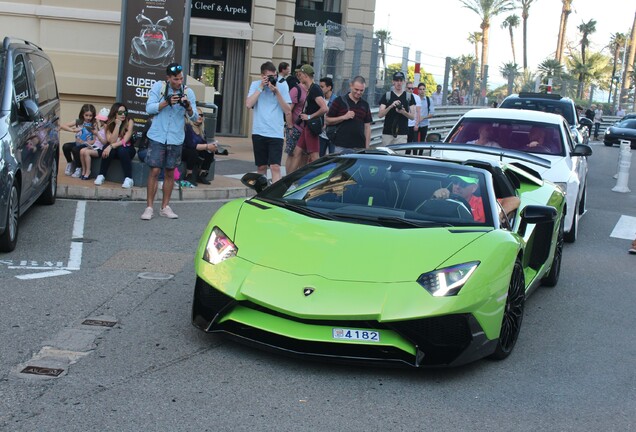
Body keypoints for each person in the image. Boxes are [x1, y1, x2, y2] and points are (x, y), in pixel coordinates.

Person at [141, 62, 198, 220]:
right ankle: (149, 207)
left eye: (181, 79)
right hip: (158, 136)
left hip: (175, 138)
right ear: (168, 78)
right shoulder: (158, 88)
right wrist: (165, 102)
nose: (179, 82)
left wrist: (188, 107)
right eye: (175, 79)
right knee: (154, 171)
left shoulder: (188, 92)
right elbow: (149, 108)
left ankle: (165, 207)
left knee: (170, 172)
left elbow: (195, 118)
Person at [246, 61, 292, 183]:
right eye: (269, 77)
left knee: (275, 167)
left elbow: (288, 110)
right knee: (261, 167)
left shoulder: (282, 86)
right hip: (259, 131)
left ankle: (275, 196)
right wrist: (261, 87)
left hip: (275, 133)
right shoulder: (255, 85)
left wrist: (277, 92)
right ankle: (261, 195)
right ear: (262, 76)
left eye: (274, 76)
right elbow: (248, 104)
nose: (273, 79)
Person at [432, 175, 520, 223]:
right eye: (455, 182)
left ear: (474, 188)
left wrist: (499, 215)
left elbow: (515, 200)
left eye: (463, 184)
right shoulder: (444, 198)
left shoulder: (482, 203)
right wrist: (435, 198)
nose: (457, 186)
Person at [290, 64, 328, 171]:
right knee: (297, 152)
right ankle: (290, 180)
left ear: (306, 75)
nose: (299, 76)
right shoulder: (311, 89)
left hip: (311, 127)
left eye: (300, 74)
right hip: (307, 127)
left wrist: (309, 116)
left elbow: (324, 108)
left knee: (314, 156)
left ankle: (320, 181)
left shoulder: (315, 89)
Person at [93, 102, 137, 188]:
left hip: (127, 149)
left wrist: (111, 146)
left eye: (125, 112)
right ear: (115, 113)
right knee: (108, 149)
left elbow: (125, 140)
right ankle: (101, 175)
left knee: (121, 150)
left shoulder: (129, 121)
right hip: (115, 149)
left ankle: (129, 178)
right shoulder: (109, 123)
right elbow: (111, 140)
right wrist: (117, 125)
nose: (123, 114)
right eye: (120, 113)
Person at [325, 75, 372, 153]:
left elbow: (367, 127)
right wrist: (344, 117)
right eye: (356, 89)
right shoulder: (339, 101)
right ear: (351, 86)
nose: (358, 92)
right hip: (341, 146)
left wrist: (367, 148)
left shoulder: (365, 104)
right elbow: (327, 120)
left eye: (361, 90)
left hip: (359, 147)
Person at [378, 71, 416, 145]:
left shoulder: (409, 97)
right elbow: (380, 115)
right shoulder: (387, 96)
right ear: (393, 81)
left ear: (404, 82)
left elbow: (412, 117)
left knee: (399, 155)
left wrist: (403, 112)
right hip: (388, 132)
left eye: (401, 80)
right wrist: (391, 106)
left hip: (402, 133)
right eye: (396, 80)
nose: (399, 83)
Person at [182, 107, 217, 187]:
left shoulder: (202, 129)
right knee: (193, 152)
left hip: (196, 151)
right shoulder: (188, 127)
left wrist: (212, 147)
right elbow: (191, 145)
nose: (200, 116)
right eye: (197, 115)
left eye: (201, 115)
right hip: (185, 151)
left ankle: (202, 174)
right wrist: (207, 146)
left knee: (209, 152)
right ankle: (188, 174)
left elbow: (204, 143)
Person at [59, 104, 97, 177]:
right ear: (83, 114)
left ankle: (79, 168)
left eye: (90, 115)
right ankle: (70, 163)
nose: (88, 117)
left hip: (87, 145)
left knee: (75, 149)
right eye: (86, 115)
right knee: (66, 146)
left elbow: (95, 140)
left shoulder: (94, 124)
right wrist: (73, 130)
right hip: (77, 143)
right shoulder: (78, 121)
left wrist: (86, 142)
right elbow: (63, 126)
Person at [77, 107, 109, 180]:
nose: (100, 121)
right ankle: (84, 170)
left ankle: (88, 171)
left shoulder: (107, 129)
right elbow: (96, 139)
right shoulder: (101, 127)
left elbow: (105, 142)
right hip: (95, 146)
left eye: (101, 120)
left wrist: (97, 134)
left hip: (100, 149)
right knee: (82, 151)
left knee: (87, 152)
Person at [283, 78, 307, 174]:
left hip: (305, 129)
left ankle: (299, 180)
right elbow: (288, 110)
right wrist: (290, 127)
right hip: (294, 128)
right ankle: (288, 179)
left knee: (303, 155)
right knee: (292, 154)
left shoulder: (310, 90)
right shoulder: (296, 90)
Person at [318, 76, 337, 156]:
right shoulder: (319, 99)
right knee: (320, 157)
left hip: (332, 134)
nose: (320, 89)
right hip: (321, 134)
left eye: (322, 87)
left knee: (333, 158)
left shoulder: (336, 100)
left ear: (329, 87)